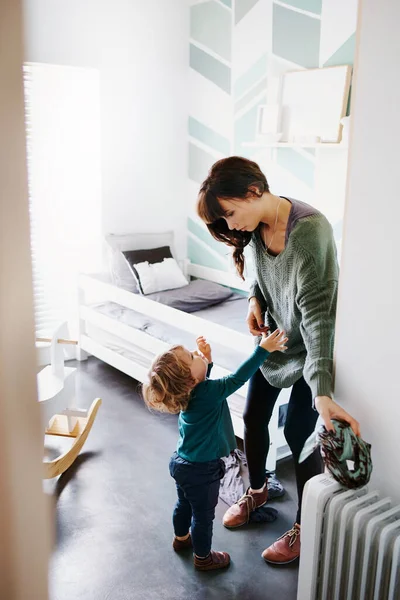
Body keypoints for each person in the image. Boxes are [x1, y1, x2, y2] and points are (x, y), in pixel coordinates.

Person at [196, 156, 360, 565]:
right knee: (252, 418)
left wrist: (322, 390)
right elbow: (257, 273)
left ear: (254, 191)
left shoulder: (309, 231)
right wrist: (254, 300)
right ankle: (257, 490)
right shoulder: (254, 229)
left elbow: (320, 315)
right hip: (275, 342)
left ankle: (306, 525)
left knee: (300, 435)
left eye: (231, 213)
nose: (231, 226)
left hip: (309, 350)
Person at [142, 330, 288, 571]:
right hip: (203, 471)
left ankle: (181, 540)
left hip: (181, 463)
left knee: (183, 505)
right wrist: (263, 350)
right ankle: (203, 558)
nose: (196, 353)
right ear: (190, 379)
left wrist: (206, 362)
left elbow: (202, 385)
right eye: (191, 355)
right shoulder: (207, 392)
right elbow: (237, 379)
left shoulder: (184, 394)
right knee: (203, 517)